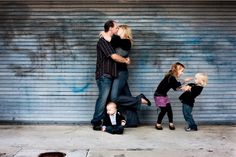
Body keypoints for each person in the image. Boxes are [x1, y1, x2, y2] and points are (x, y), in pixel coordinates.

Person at [100, 24, 151, 127]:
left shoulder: (126, 42)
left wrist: (104, 34)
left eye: (119, 29)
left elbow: (113, 41)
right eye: (116, 28)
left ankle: (139, 99)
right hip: (115, 73)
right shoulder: (118, 41)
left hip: (121, 73)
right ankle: (133, 121)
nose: (117, 30)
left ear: (124, 31)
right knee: (126, 98)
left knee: (114, 98)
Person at [91, 20, 131, 130]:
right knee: (103, 98)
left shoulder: (111, 41)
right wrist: (125, 61)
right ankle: (96, 122)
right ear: (110, 28)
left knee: (108, 99)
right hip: (104, 74)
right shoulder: (103, 41)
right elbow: (114, 56)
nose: (117, 29)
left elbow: (122, 45)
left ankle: (106, 120)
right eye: (116, 27)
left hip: (110, 74)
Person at [154, 62, 192, 130]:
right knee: (163, 110)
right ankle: (158, 124)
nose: (182, 73)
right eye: (182, 71)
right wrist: (184, 81)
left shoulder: (172, 76)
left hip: (164, 95)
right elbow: (177, 85)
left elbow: (175, 88)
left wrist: (183, 87)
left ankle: (171, 123)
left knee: (169, 110)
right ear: (177, 70)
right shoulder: (171, 77)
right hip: (159, 96)